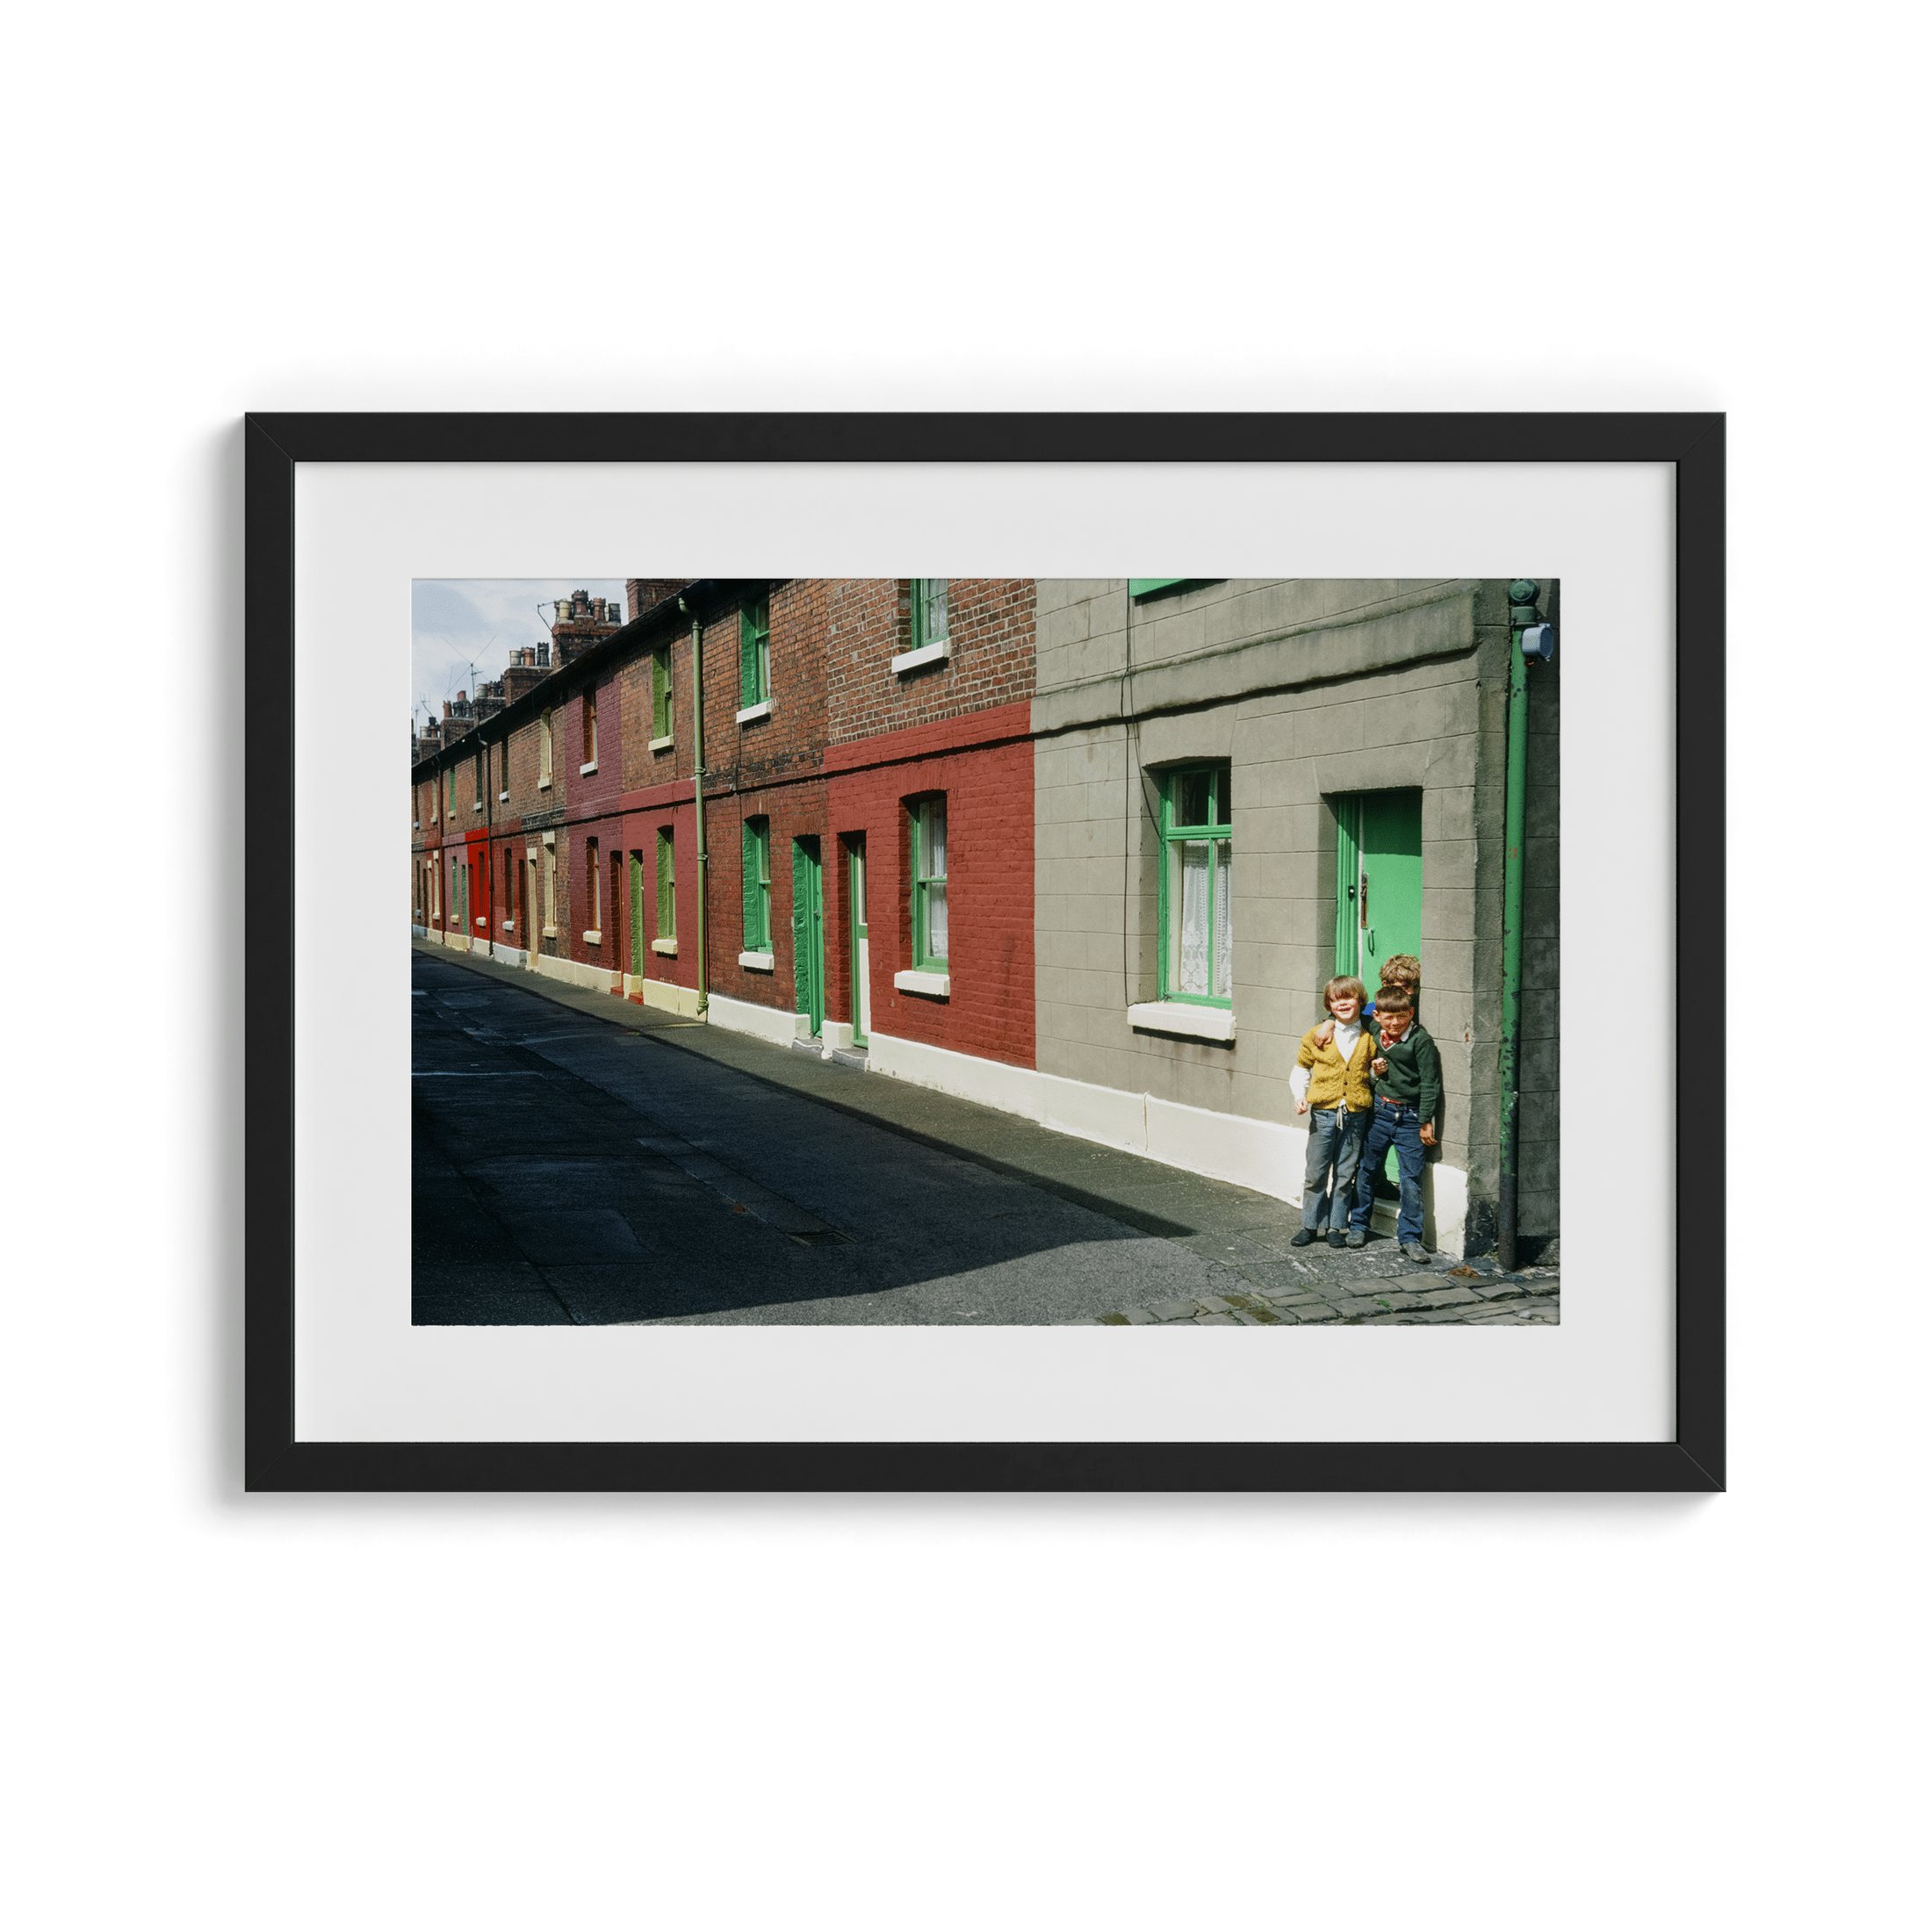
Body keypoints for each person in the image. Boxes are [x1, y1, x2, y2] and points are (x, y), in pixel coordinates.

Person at [1346, 984, 1442, 1262]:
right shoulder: (1375, 1031)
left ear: (1411, 1013)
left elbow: (1430, 1083)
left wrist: (1426, 1120)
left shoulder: (1420, 1041)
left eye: (1401, 1016)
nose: (1395, 1023)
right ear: (1377, 1016)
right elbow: (1348, 1013)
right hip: (1379, 1112)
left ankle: (1410, 1238)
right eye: (1388, 1018)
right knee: (1366, 1169)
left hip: (1411, 1118)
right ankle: (1358, 1226)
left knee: (1411, 1179)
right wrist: (1328, 1024)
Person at [1289, 977, 1377, 1249]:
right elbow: (1302, 1068)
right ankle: (1310, 1225)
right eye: (1336, 1000)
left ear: (1360, 1000)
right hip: (1324, 1114)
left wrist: (1377, 1071)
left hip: (1355, 1115)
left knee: (1344, 1173)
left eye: (1349, 998)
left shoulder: (1369, 1037)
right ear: (1329, 1005)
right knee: (1316, 1171)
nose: (1343, 1004)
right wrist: (1300, 1096)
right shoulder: (1318, 1035)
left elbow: (1368, 1076)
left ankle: (1336, 1226)